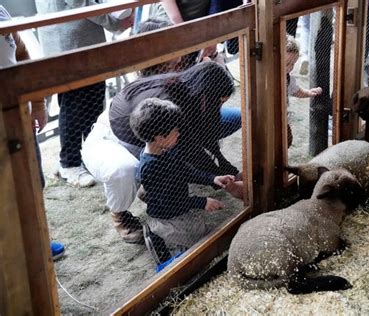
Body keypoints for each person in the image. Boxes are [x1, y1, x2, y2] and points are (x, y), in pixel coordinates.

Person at [82, 61, 243, 243]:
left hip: (153, 133)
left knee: (236, 117)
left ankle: (150, 188)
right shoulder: (172, 107)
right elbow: (191, 151)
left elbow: (198, 141)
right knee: (125, 170)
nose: (218, 107)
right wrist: (229, 185)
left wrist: (228, 174)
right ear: (206, 95)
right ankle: (120, 214)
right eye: (218, 102)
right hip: (114, 139)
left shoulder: (190, 94)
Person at [34, 0, 134, 187]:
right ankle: (69, 163)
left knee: (81, 102)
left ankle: (82, 157)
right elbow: (81, 3)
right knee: (77, 104)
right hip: (72, 40)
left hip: (70, 37)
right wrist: (117, 24)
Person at [129, 98, 236, 263]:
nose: (179, 133)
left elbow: (186, 171)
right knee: (198, 250)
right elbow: (168, 203)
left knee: (205, 233)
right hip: (167, 217)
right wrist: (201, 202)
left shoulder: (165, 150)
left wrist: (213, 178)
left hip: (179, 207)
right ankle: (159, 240)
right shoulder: (150, 167)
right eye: (175, 131)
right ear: (159, 138)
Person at [0, 5, 65, 260]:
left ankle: (36, 242)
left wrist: (37, 104)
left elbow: (22, 53)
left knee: (33, 182)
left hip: (19, 119)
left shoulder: (2, 11)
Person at [285, 35, 323, 146]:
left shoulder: (288, 78)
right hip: (268, 118)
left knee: (287, 141)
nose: (290, 67)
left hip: (283, 117)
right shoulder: (267, 77)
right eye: (287, 63)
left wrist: (309, 92)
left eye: (293, 64)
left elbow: (296, 91)